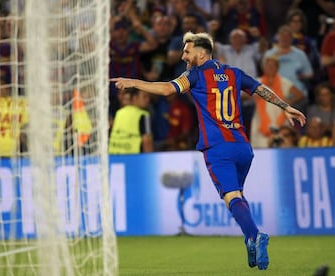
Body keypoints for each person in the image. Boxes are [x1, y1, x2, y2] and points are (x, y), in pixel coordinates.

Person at [111, 31, 306, 270]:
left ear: (201, 52)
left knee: (232, 197)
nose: (184, 55)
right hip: (243, 148)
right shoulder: (234, 73)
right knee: (237, 197)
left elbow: (166, 90)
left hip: (218, 149)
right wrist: (286, 107)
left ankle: (255, 236)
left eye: (187, 50)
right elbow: (260, 89)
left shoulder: (194, 75)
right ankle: (249, 238)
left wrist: (134, 82)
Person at [109, 87, 153, 154]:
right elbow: (147, 141)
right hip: (134, 158)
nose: (148, 100)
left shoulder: (119, 113)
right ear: (135, 98)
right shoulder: (143, 115)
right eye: (145, 97)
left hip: (114, 156)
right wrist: (150, 160)